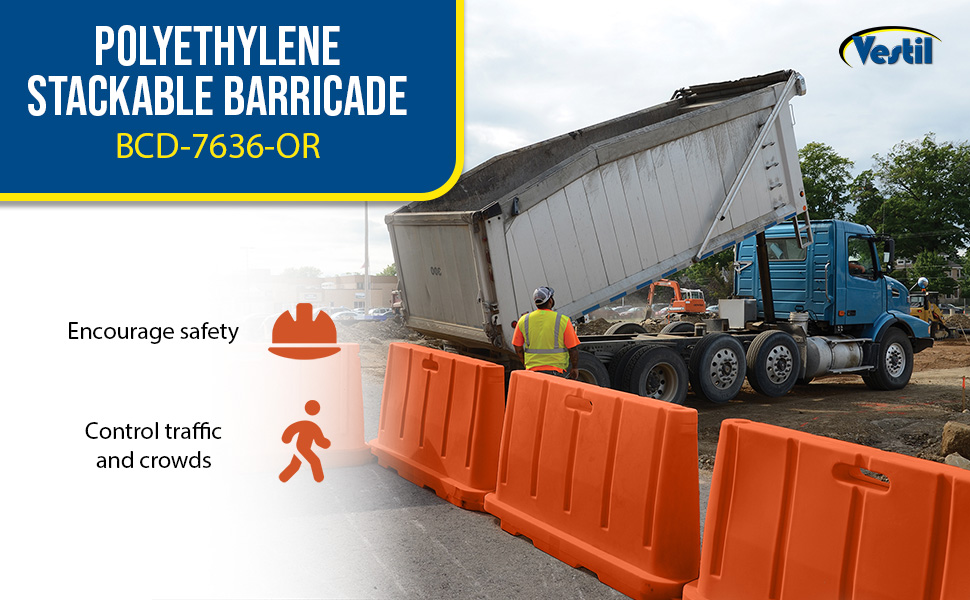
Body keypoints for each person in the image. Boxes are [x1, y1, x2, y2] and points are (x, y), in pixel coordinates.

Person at [512, 286, 580, 378]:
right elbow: (572, 348)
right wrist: (574, 368)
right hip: (556, 371)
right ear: (550, 301)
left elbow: (517, 346)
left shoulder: (523, 320)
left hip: (532, 370)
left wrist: (524, 362)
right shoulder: (563, 320)